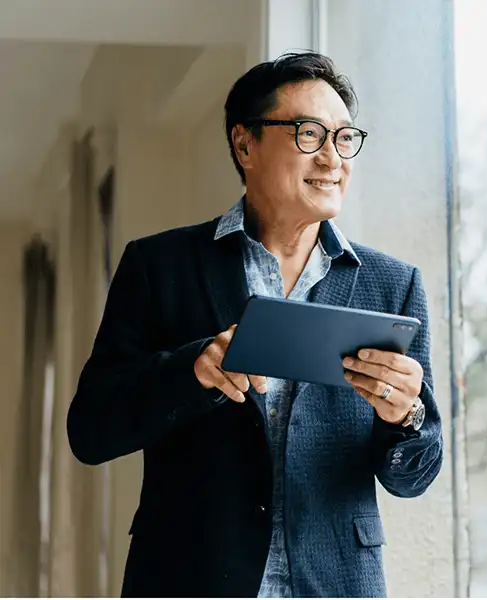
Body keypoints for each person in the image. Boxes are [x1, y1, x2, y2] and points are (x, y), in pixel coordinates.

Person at [67, 51, 444, 598]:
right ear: (245, 144)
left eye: (344, 138)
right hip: (188, 576)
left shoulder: (393, 284)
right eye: (310, 133)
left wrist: (405, 414)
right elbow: (91, 431)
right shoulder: (160, 267)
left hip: (338, 582)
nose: (333, 158)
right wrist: (191, 372)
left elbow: (414, 475)